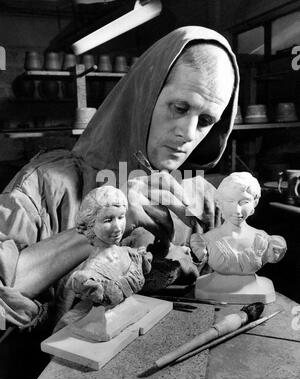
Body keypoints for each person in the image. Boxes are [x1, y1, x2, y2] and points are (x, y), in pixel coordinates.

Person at [0, 26, 239, 331]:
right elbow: (8, 286)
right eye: (180, 108)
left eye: (205, 121)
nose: (189, 134)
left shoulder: (200, 195)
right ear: (145, 95)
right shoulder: (50, 182)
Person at [68, 185, 151, 305]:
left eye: (121, 217)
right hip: (106, 321)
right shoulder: (88, 276)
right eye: (108, 220)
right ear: (91, 224)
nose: (117, 227)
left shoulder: (131, 253)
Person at [190, 172, 287, 275]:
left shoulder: (266, 242)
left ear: (254, 203)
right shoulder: (204, 241)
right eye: (230, 201)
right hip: (217, 287)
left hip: (252, 288)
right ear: (219, 203)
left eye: (244, 202)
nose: (237, 210)